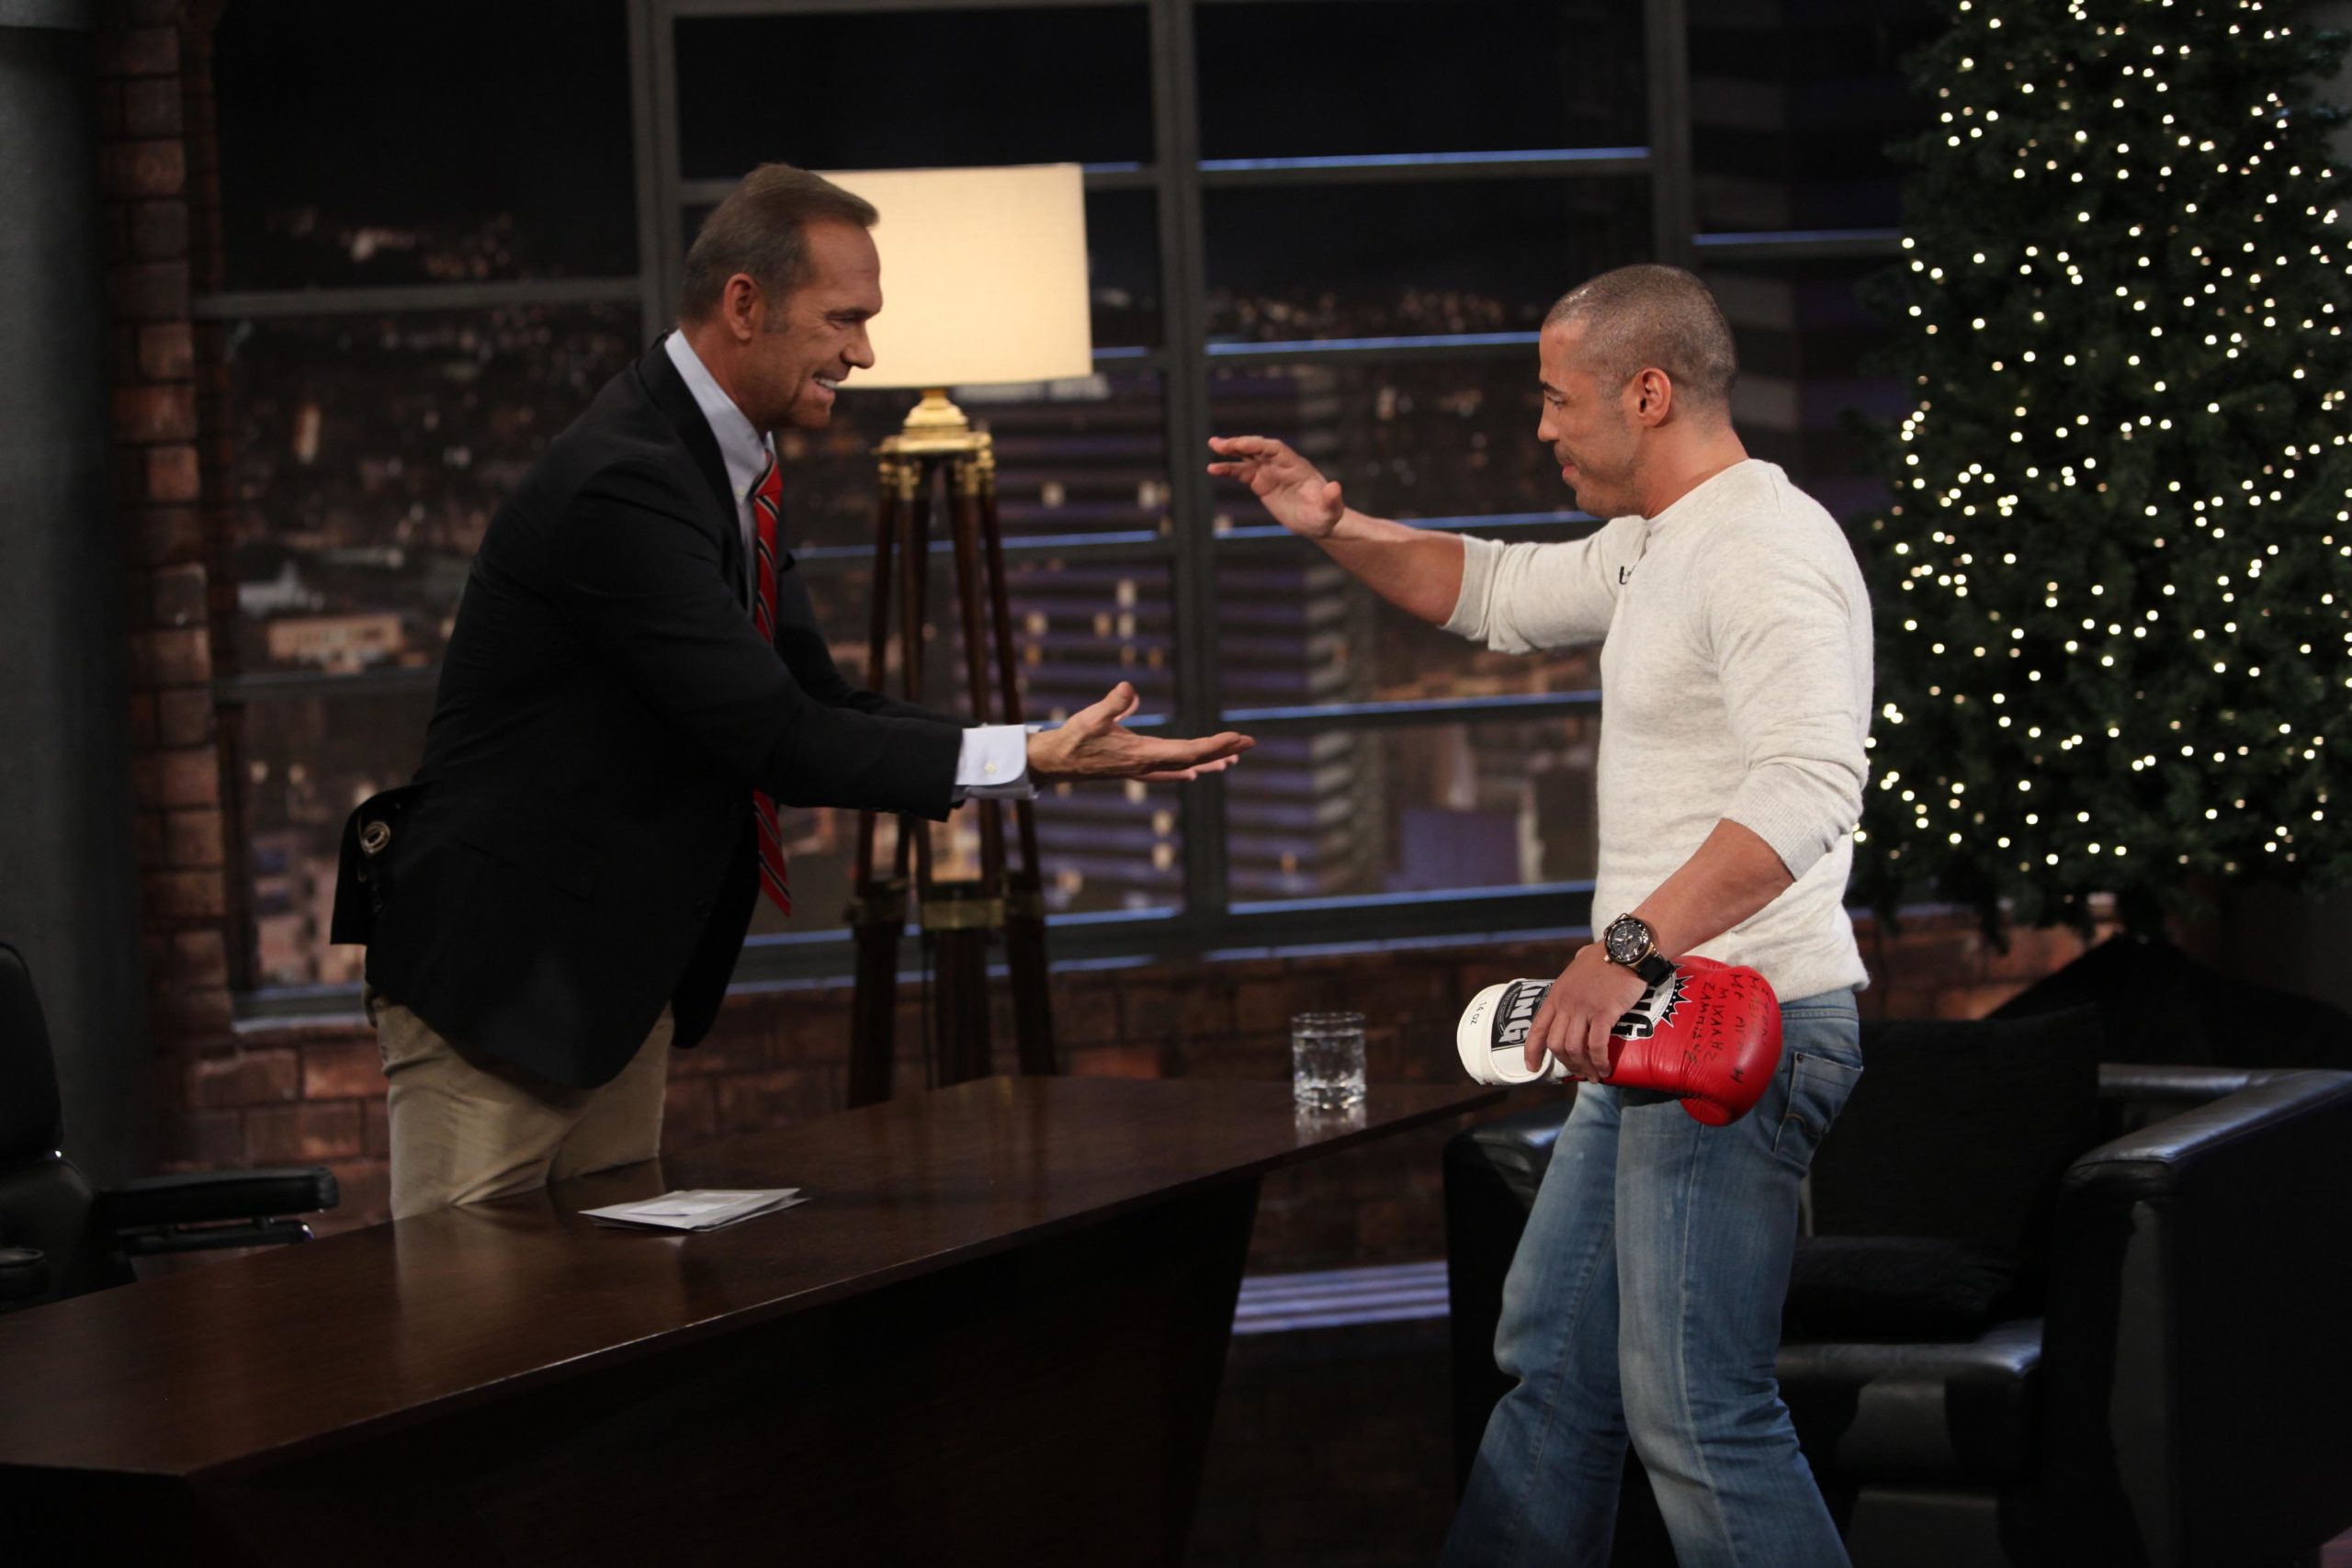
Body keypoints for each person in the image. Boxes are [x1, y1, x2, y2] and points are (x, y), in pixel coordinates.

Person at [335, 164, 1250, 1222]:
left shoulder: (725, 469)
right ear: (744, 304)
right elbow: (773, 735)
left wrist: (1029, 747)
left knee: (600, 1302)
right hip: (501, 980)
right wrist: (1030, 760)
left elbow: (816, 698)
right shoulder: (624, 480)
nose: (864, 354)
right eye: (844, 320)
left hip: (606, 979)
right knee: (468, 1312)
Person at [1209, 264, 1871, 1567]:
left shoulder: (1766, 550)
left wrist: (1624, 950)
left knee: (1697, 1411)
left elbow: (1807, 785)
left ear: (1648, 391)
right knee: (1555, 1369)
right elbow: (1497, 593)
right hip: (1651, 1034)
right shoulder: (1660, 540)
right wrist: (1332, 522)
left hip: (1740, 1034)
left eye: (1560, 398)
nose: (1542, 424)